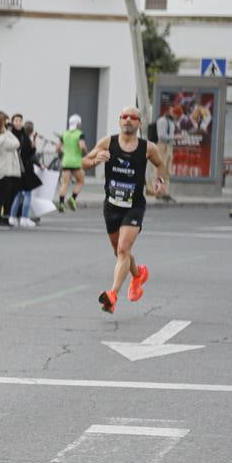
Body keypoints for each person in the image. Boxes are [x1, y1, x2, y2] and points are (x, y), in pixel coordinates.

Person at [82, 107, 168, 313]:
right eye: (124, 117)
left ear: (139, 123)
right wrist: (95, 160)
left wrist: (160, 179)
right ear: (119, 120)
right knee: (120, 252)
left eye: (133, 117)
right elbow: (83, 162)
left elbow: (160, 164)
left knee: (123, 250)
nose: (128, 120)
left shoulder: (148, 147)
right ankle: (138, 275)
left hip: (134, 206)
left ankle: (112, 295)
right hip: (111, 206)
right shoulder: (107, 142)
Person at [54, 114, 87, 211]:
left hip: (66, 161)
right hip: (76, 162)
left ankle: (61, 203)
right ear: (77, 124)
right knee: (81, 181)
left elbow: (57, 148)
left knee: (65, 183)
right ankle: (72, 198)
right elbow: (82, 146)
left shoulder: (64, 133)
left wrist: (62, 153)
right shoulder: (80, 134)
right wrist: (86, 153)